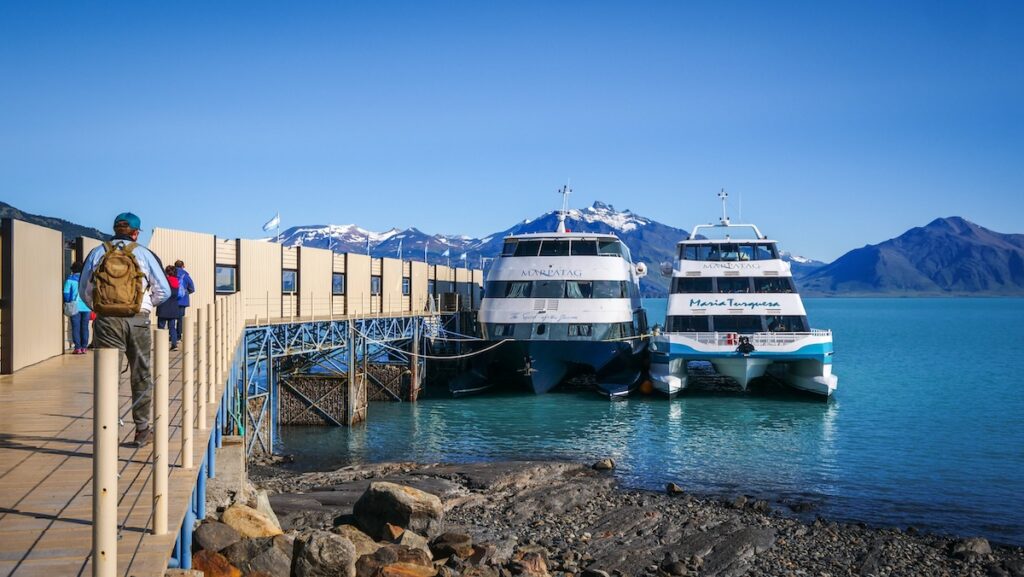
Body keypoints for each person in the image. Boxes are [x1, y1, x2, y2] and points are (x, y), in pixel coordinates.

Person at [81, 212, 171, 447]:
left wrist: (102, 307)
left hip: (107, 321)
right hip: (137, 320)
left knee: (108, 375)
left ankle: (107, 431)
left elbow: (85, 290)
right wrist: (146, 304)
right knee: (140, 373)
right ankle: (142, 429)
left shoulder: (97, 252)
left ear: (114, 229)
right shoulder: (143, 253)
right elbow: (164, 290)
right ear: (136, 232)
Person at [63, 261, 92, 354]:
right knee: (85, 327)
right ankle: (84, 347)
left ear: (73, 270)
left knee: (76, 327)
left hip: (74, 306)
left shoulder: (70, 280)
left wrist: (68, 301)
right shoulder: (87, 280)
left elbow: (66, 294)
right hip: (86, 306)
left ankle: (78, 348)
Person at [157, 265, 182, 350]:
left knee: (161, 327)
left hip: (163, 306)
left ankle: (160, 346)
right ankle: (174, 345)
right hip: (173, 306)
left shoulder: (164, 281)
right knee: (172, 327)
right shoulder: (176, 281)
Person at [174, 259, 195, 341]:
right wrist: (184, 293)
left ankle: (172, 335)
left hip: (172, 299)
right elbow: (192, 289)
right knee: (180, 319)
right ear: (183, 266)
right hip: (182, 300)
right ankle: (178, 336)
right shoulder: (186, 276)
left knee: (171, 318)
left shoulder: (171, 274)